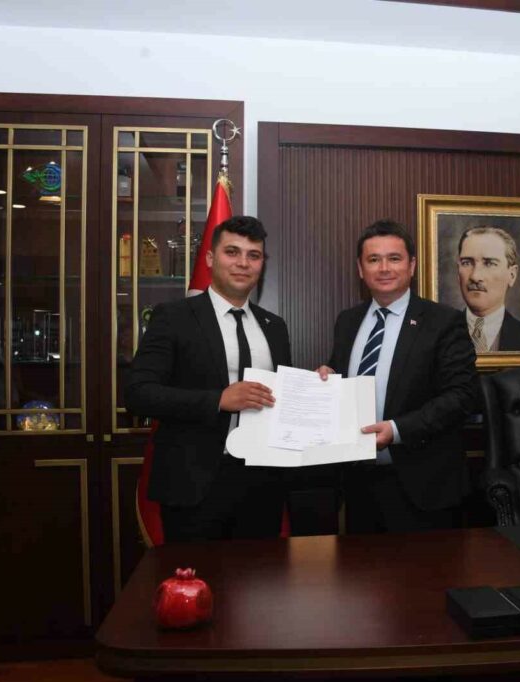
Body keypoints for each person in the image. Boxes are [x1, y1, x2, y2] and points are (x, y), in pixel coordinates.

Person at [125, 215, 291, 542]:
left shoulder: (275, 326)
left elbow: (278, 398)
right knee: (196, 574)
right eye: (232, 252)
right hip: (194, 484)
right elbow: (138, 393)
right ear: (211, 258)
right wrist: (218, 400)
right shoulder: (174, 317)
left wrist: (316, 389)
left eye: (254, 255)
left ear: (262, 264)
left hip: (263, 484)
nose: (243, 263)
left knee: (260, 574)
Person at [318, 219, 478, 533]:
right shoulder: (347, 321)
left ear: (411, 265)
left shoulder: (443, 321)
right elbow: (345, 377)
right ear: (360, 269)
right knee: (361, 565)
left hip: (423, 487)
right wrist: (328, 376)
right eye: (373, 259)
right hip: (358, 484)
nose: (384, 268)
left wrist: (396, 430)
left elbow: (462, 396)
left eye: (394, 258)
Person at [456, 226, 520, 352]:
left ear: (512, 275)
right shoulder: (439, 335)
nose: (475, 276)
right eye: (467, 263)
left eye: (489, 263)